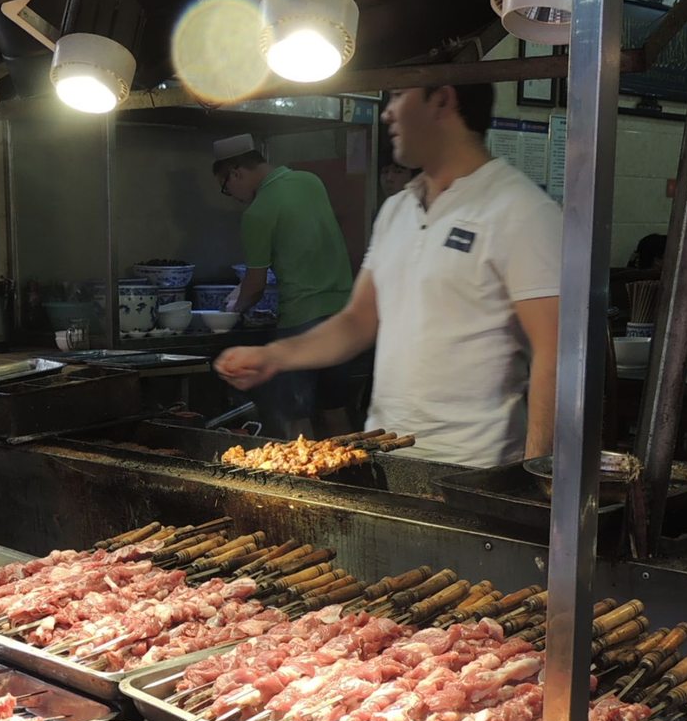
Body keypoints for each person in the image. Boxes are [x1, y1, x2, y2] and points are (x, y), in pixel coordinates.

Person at [214, 83, 561, 468]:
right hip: (384, 459)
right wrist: (274, 356)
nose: (386, 112)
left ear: (443, 99)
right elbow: (357, 322)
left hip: (474, 469)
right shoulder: (397, 210)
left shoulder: (522, 210)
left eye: (398, 96)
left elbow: (555, 355)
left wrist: (535, 478)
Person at [212, 135, 357, 437]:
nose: (233, 195)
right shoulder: (310, 181)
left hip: (301, 320)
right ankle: (350, 478)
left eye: (226, 188)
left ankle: (301, 482)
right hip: (342, 318)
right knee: (335, 410)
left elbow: (255, 286)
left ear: (236, 172)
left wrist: (228, 313)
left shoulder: (257, 212)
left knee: (296, 418)